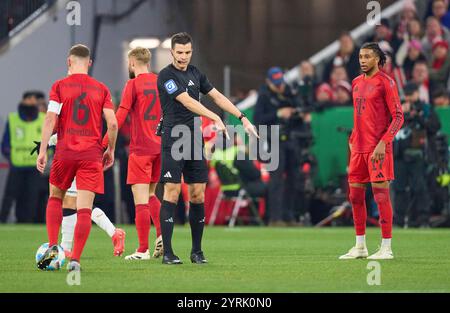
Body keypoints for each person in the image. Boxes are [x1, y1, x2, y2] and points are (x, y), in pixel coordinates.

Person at [157, 32, 258, 265]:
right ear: (172, 52)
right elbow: (187, 101)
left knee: (197, 194)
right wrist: (214, 117)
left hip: (194, 141)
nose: (183, 57)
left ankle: (196, 251)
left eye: (187, 52)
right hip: (173, 140)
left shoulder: (196, 74)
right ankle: (168, 253)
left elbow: (217, 96)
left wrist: (241, 116)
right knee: (171, 192)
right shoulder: (165, 76)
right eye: (179, 52)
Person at [35, 44, 118, 272]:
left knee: (55, 198)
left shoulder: (60, 86)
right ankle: (75, 261)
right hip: (91, 155)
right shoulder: (101, 89)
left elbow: (50, 120)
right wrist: (110, 149)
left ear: (68, 62)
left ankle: (54, 250)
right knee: (84, 208)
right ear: (89, 63)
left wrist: (42, 150)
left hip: (65, 152)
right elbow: (112, 123)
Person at [339, 42, 404, 260]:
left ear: (377, 59)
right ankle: (360, 247)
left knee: (380, 195)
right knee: (355, 196)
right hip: (358, 148)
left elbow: (398, 117)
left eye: (367, 56)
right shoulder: (356, 82)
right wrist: (352, 138)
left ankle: (386, 248)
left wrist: (383, 143)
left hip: (378, 149)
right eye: (360, 57)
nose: (363, 60)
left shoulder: (386, 82)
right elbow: (360, 116)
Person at [102, 47, 164, 260]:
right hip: (160, 148)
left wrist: (104, 143)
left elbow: (119, 116)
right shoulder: (161, 81)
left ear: (132, 63)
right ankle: (162, 234)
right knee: (151, 195)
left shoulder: (133, 84)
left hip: (141, 149)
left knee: (140, 202)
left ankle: (142, 250)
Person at [37, 134, 126, 258]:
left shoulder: (70, 117)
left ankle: (113, 233)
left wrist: (46, 144)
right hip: (88, 154)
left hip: (75, 155)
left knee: (76, 202)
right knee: (73, 202)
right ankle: (66, 247)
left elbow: (69, 128)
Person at [0, 92, 45, 223]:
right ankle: (2, 221)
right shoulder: (13, 119)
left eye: (34, 99)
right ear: (23, 100)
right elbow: (5, 142)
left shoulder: (43, 119)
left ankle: (26, 222)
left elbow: (49, 140)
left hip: (34, 165)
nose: (32, 102)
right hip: (17, 165)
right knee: (10, 195)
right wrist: (10, 156)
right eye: (29, 99)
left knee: (31, 196)